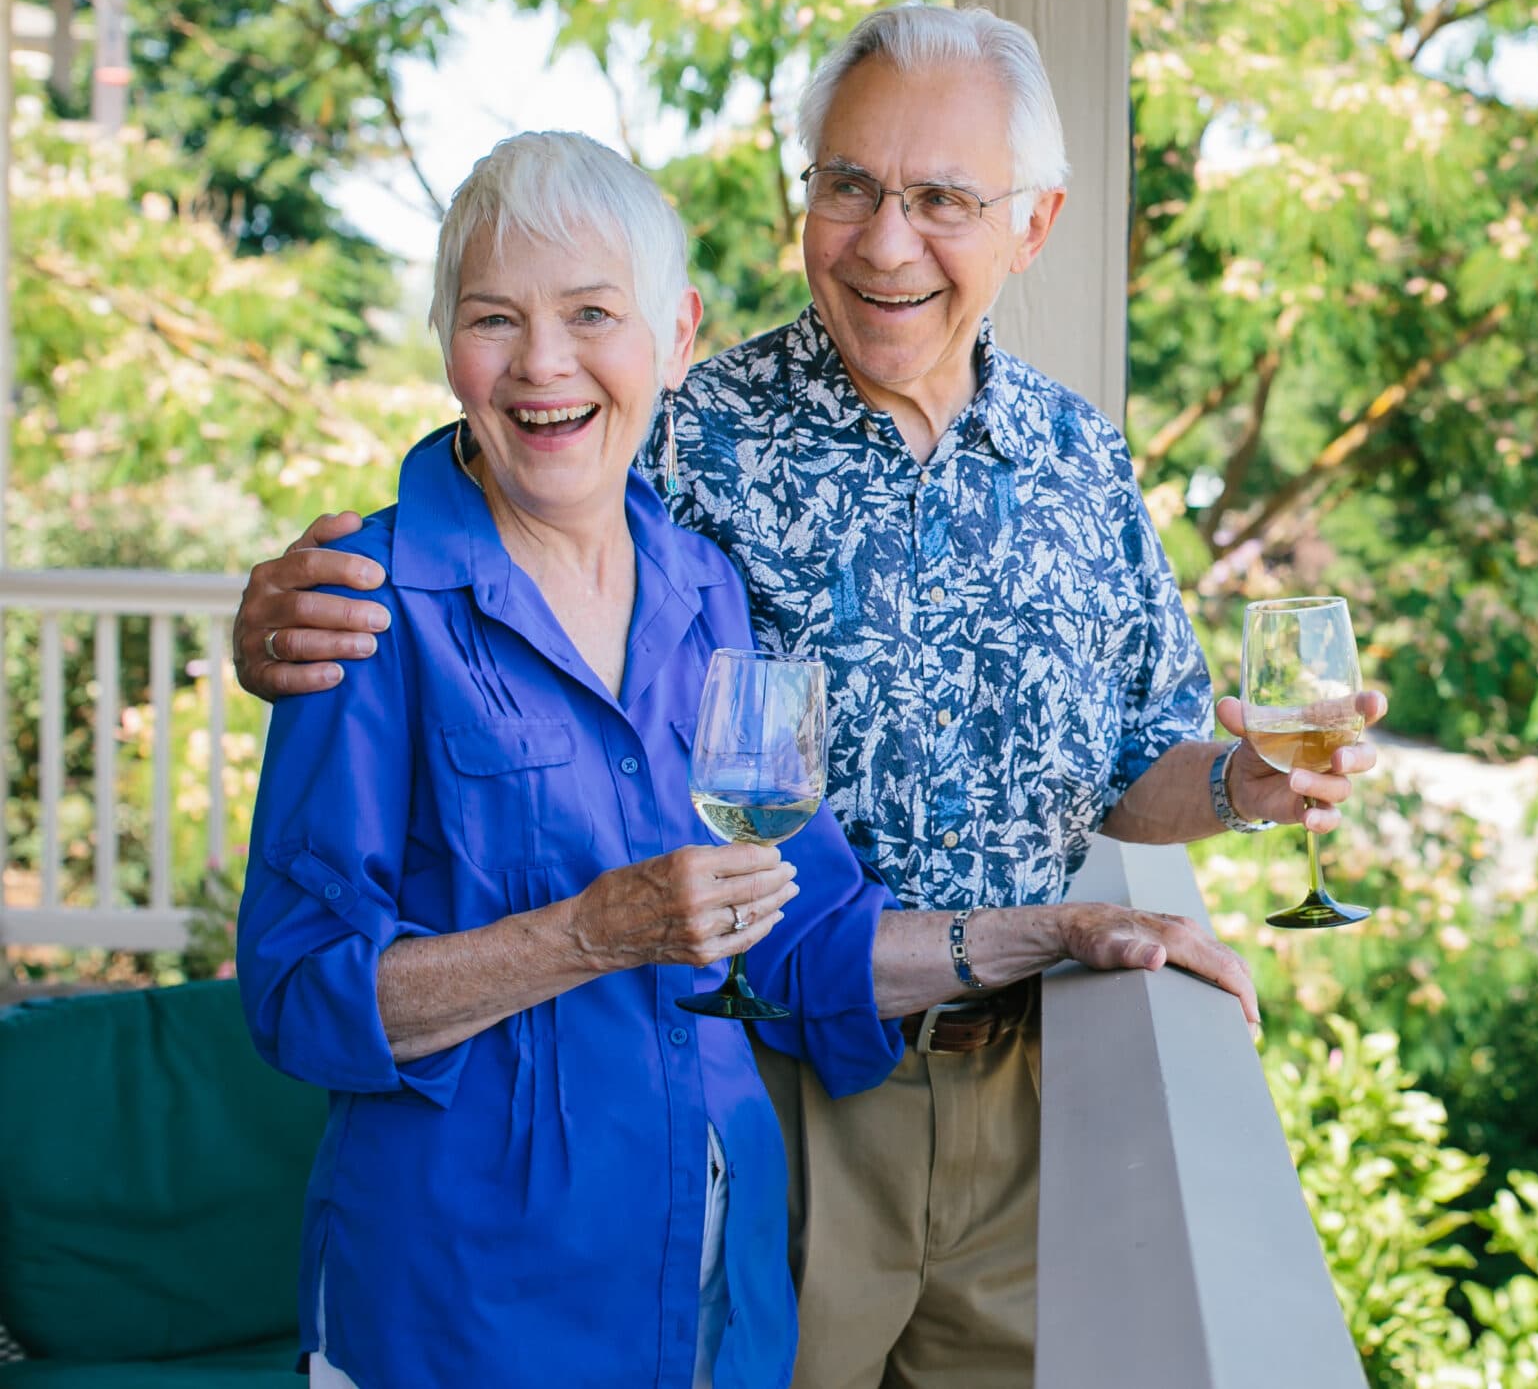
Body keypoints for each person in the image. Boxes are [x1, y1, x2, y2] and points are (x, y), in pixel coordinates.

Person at [235, 128, 1260, 1389]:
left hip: (710, 1290)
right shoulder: (368, 605)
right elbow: (296, 997)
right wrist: (588, 935)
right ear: (446, 344)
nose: (543, 364)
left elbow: (804, 931)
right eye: (494, 318)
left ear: (674, 336)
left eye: (592, 315)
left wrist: (1057, 930)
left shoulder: (703, 590)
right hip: (466, 1307)